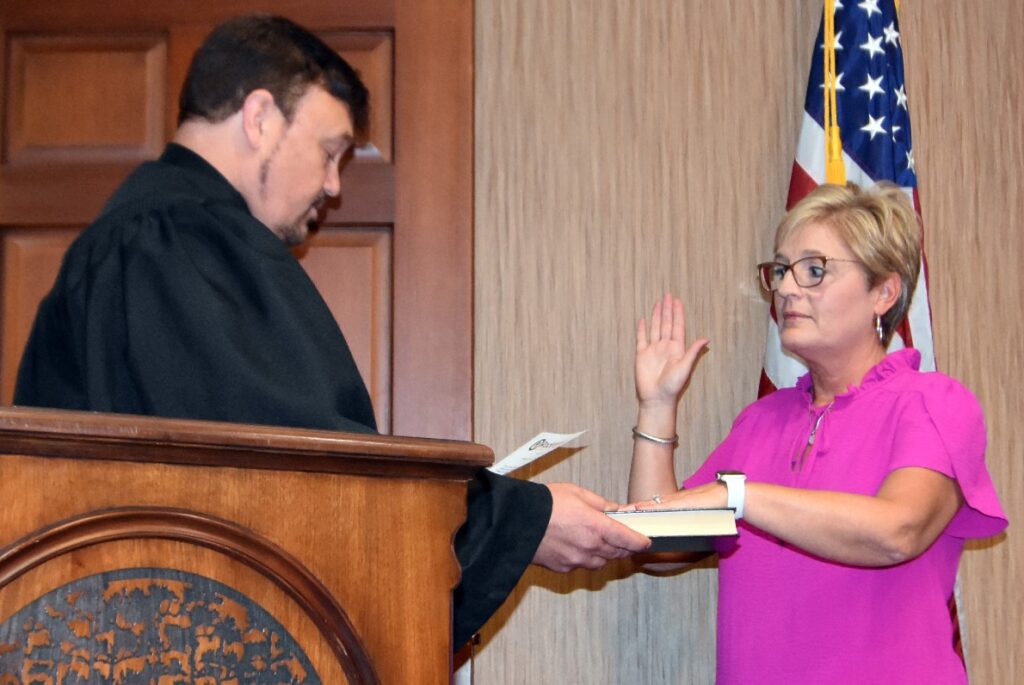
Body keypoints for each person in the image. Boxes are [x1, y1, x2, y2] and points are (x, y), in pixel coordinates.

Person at [12, 14, 650, 650]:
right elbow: (287, 468)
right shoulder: (178, 243)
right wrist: (523, 520)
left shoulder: (135, 241)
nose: (334, 186)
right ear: (260, 117)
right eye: (329, 151)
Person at [627, 182, 1007, 684]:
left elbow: (898, 531)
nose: (785, 289)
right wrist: (657, 407)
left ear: (884, 292)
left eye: (813, 270)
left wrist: (737, 497)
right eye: (781, 271)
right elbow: (653, 545)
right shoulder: (760, 422)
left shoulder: (933, 402)